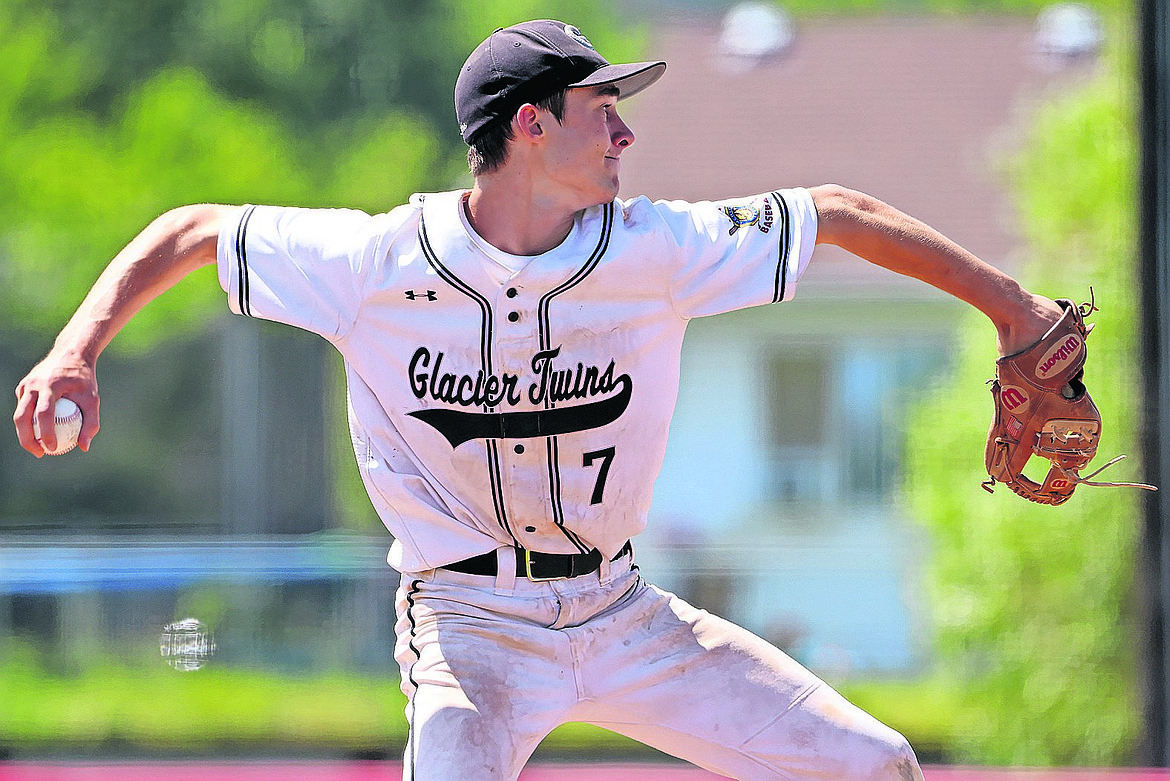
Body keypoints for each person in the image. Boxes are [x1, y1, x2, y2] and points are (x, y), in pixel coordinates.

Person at [13, 19, 1061, 780]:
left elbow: (836, 212)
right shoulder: (375, 261)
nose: (625, 137)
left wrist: (1014, 313)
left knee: (873, 768)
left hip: (624, 611)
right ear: (529, 126)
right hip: (469, 625)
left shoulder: (658, 248)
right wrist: (76, 347)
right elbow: (196, 229)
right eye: (603, 112)